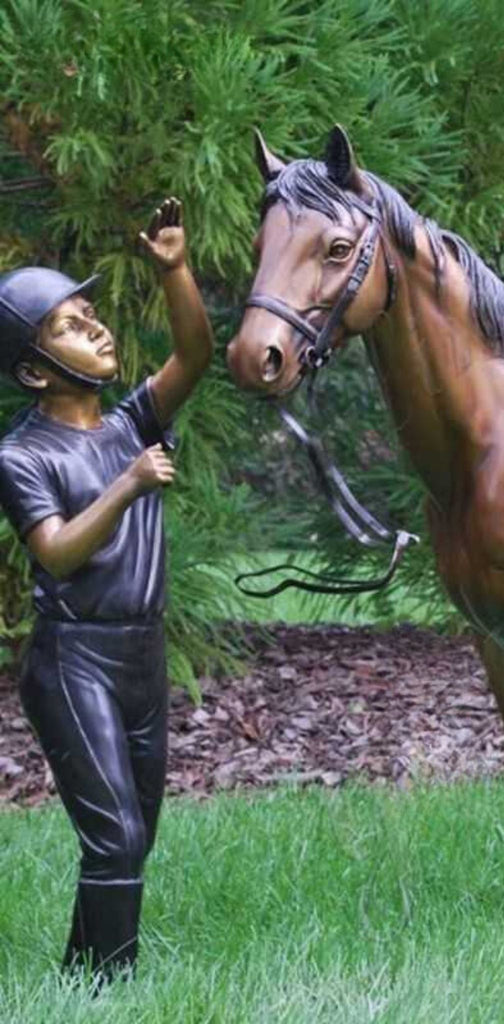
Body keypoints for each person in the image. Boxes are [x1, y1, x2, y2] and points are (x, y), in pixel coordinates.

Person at [0, 197, 212, 982]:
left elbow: (193, 355)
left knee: (131, 839)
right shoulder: (23, 455)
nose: (93, 328)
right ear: (33, 368)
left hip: (139, 654)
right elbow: (54, 553)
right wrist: (126, 485)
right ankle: (116, 988)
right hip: (73, 659)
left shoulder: (129, 422)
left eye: (90, 314)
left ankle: (82, 979)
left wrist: (176, 271)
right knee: (114, 837)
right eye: (67, 325)